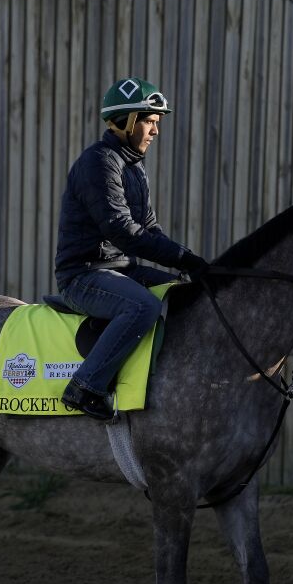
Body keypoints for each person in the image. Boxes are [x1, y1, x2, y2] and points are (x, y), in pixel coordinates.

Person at [55, 77, 208, 420]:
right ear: (125, 122)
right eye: (149, 121)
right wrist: (183, 257)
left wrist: (187, 264)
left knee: (186, 291)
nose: (155, 130)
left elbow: (150, 229)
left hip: (122, 270)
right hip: (83, 276)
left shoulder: (134, 167)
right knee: (143, 307)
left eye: (157, 122)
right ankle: (84, 387)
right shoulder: (99, 162)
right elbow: (122, 231)